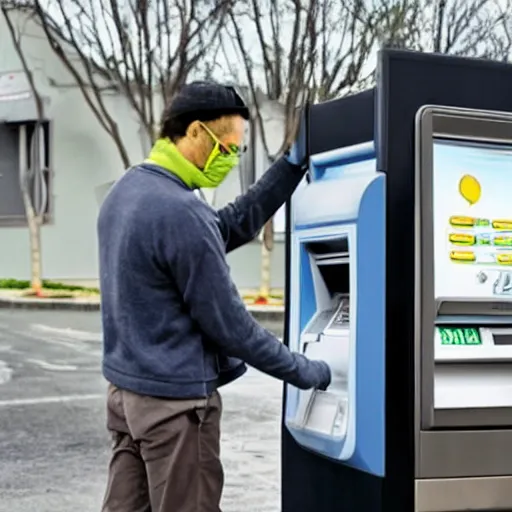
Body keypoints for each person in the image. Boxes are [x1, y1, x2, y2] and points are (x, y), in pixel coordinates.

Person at [98, 81, 331, 512]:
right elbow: (232, 328)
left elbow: (225, 225)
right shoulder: (182, 212)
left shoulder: (127, 191)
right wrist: (306, 370)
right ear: (196, 133)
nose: (228, 160)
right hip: (176, 409)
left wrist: (289, 167)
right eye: (227, 149)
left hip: (127, 395)